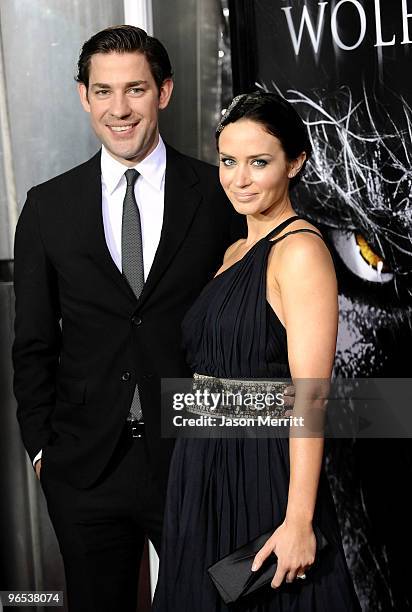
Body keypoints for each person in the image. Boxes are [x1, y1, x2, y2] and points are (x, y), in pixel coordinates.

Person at [12, 25, 246, 612]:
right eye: (103, 91)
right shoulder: (48, 206)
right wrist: (42, 451)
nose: (120, 109)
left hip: (197, 453)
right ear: (83, 96)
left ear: (164, 92)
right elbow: (33, 343)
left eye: (135, 90)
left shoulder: (218, 194)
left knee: (218, 601)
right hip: (85, 466)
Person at [152, 92, 361, 611]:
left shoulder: (301, 251)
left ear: (295, 163)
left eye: (259, 162)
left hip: (262, 472)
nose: (238, 179)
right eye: (228, 161)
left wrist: (298, 519)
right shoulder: (234, 251)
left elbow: (310, 397)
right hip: (204, 467)